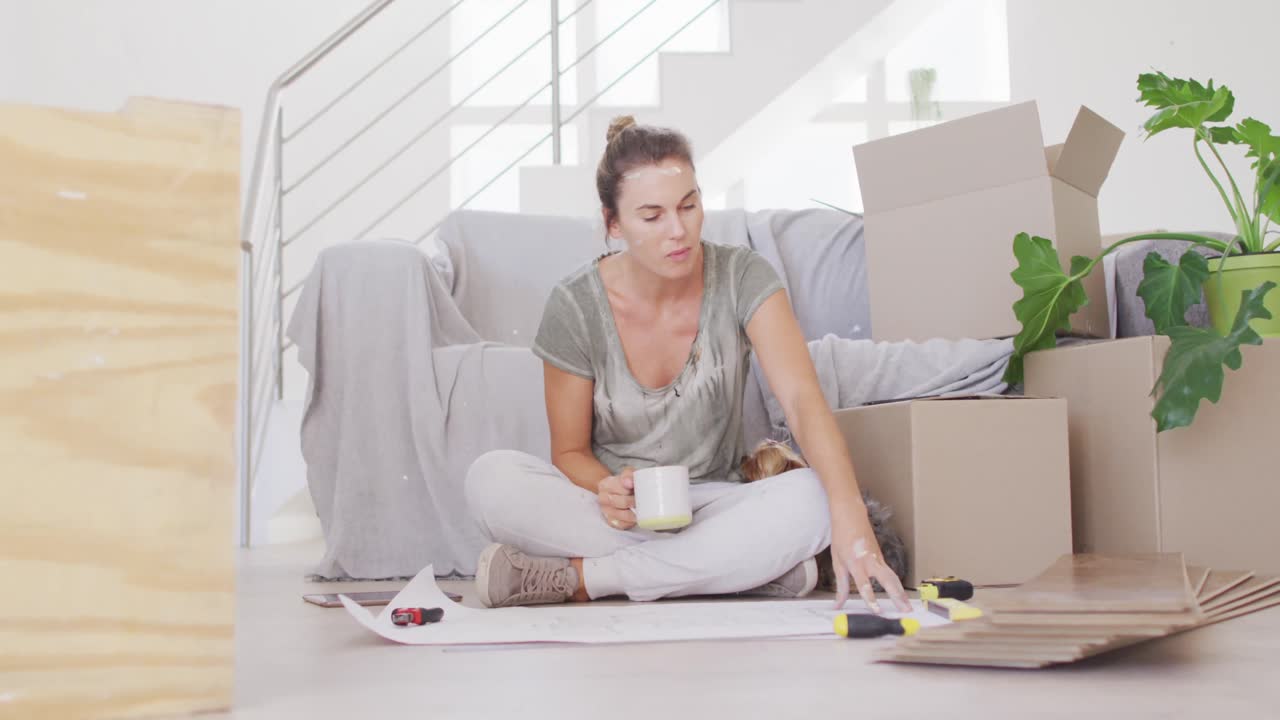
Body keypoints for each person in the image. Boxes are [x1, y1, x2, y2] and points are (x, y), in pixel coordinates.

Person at [464, 116, 911, 613]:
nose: (678, 231)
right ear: (614, 224)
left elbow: (804, 403)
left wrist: (853, 521)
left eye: (689, 205)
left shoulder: (743, 276)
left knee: (812, 499)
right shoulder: (575, 306)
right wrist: (606, 490)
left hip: (712, 504)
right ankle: (733, 571)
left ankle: (587, 578)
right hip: (613, 515)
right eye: (652, 216)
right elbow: (568, 452)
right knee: (491, 480)